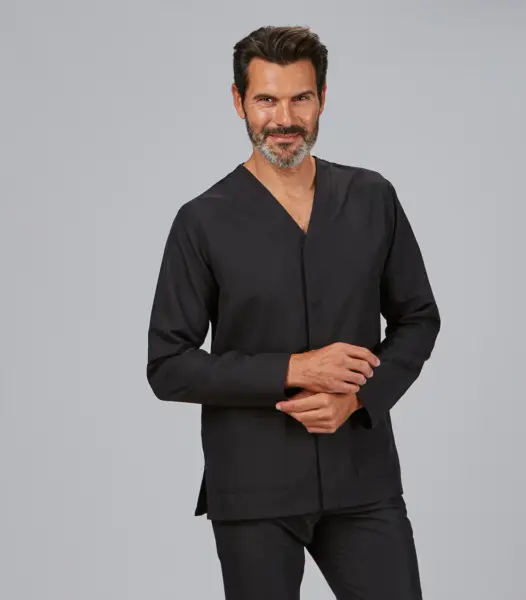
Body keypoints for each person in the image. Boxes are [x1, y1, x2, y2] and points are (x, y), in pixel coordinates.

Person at [146, 24, 441, 600]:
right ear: (239, 102)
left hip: (362, 478)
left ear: (322, 98)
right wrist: (295, 368)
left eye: (300, 98)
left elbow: (418, 318)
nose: (284, 118)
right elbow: (168, 365)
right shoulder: (202, 221)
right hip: (253, 488)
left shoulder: (372, 197)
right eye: (266, 99)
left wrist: (358, 398)